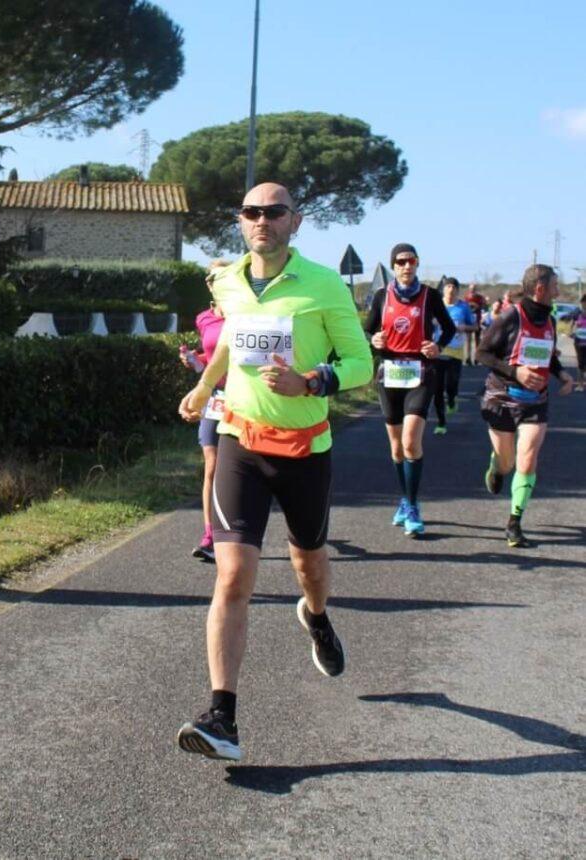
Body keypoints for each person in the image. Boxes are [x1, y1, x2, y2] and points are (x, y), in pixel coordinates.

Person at [174, 183, 372, 761]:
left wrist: (312, 381)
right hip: (241, 443)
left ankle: (314, 618)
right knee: (233, 576)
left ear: (295, 221)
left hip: (306, 448)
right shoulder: (228, 280)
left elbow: (360, 362)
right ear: (241, 222)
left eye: (274, 212)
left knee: (309, 562)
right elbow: (230, 344)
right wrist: (204, 386)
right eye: (251, 212)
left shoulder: (324, 284)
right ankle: (221, 717)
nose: (262, 220)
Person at [476, 265, 575, 547]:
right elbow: (483, 353)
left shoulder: (551, 320)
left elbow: (549, 355)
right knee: (507, 463)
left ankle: (514, 523)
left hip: (536, 401)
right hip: (503, 397)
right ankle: (496, 468)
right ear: (540, 288)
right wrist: (516, 372)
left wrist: (562, 374)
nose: (558, 289)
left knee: (528, 458)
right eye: (555, 285)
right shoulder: (511, 317)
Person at [363, 244, 455, 536]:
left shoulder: (429, 296)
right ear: (394, 266)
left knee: (411, 442)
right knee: (396, 447)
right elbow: (367, 330)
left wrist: (437, 346)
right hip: (389, 375)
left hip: (419, 374)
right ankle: (404, 499)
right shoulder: (381, 297)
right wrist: (374, 341)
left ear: (417, 264)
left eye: (411, 261)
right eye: (400, 262)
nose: (406, 266)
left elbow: (449, 328)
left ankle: (413, 505)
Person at [179, 260, 230, 562]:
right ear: (208, 284)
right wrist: (193, 358)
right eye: (213, 277)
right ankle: (210, 536)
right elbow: (211, 354)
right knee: (212, 464)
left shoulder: (245, 315)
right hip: (216, 399)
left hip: (245, 400)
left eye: (225, 275)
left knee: (241, 469)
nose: (218, 281)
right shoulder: (204, 319)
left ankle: (240, 527)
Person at [431, 277, 477, 434]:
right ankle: (441, 423)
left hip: (455, 352)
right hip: (437, 350)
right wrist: (433, 323)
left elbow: (475, 326)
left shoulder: (463, 307)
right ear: (443, 289)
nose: (450, 289)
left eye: (453, 287)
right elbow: (425, 323)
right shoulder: (436, 305)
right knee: (437, 389)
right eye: (448, 286)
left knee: (451, 385)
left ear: (457, 290)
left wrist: (465, 327)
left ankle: (451, 400)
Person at [463, 284, 488, 364]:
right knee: (468, 340)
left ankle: (476, 358)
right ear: (469, 289)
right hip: (469, 320)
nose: (472, 290)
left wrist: (478, 306)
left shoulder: (479, 297)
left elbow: (483, 306)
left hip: (477, 319)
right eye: (471, 288)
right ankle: (468, 357)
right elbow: (465, 306)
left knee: (477, 340)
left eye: (474, 288)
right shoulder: (466, 297)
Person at [572, 294, 586, 388]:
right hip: (579, 342)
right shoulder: (577, 313)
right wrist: (572, 332)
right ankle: (580, 384)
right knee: (581, 363)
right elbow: (572, 325)